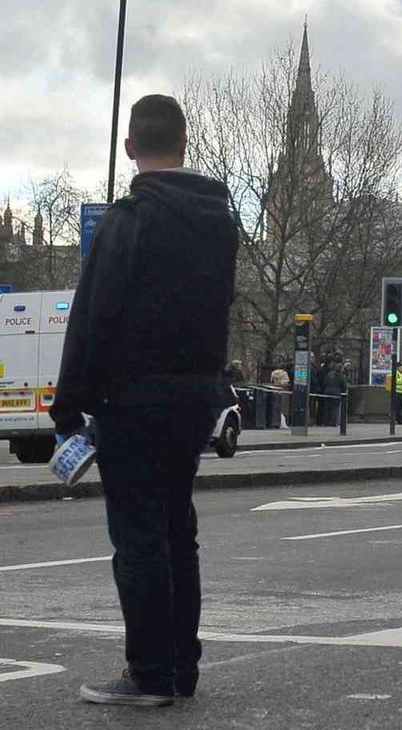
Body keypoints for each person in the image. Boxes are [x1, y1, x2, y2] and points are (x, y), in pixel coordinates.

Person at [49, 94, 238, 707]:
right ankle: (182, 666)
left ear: (130, 148)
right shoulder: (219, 221)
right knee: (178, 530)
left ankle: (149, 673)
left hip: (131, 400)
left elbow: (92, 316)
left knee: (139, 538)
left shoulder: (128, 220)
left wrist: (68, 405)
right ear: (185, 144)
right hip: (193, 397)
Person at [322, 362, 349, 426]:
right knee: (335, 408)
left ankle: (325, 422)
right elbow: (344, 386)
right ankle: (334, 422)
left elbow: (324, 383)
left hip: (327, 392)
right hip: (336, 393)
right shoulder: (342, 376)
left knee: (327, 408)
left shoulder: (329, 374)